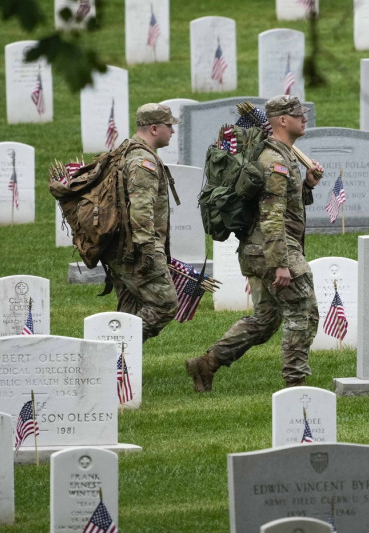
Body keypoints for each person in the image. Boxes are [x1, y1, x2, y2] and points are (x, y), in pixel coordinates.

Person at [186, 95, 324, 392]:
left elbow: (286, 205)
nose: (305, 119)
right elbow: (272, 216)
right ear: (282, 121)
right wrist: (281, 264)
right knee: (304, 310)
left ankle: (206, 364)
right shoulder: (274, 161)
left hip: (257, 248)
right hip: (271, 249)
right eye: (299, 115)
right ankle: (295, 384)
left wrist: (308, 185)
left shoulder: (281, 155)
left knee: (265, 320)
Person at [102, 103, 180, 342]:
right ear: (154, 129)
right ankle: (110, 351)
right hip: (136, 248)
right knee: (165, 304)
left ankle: (116, 368)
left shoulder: (126, 151)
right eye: (169, 126)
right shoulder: (143, 162)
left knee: (130, 310)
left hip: (120, 246)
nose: (173, 132)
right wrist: (147, 251)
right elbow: (140, 210)